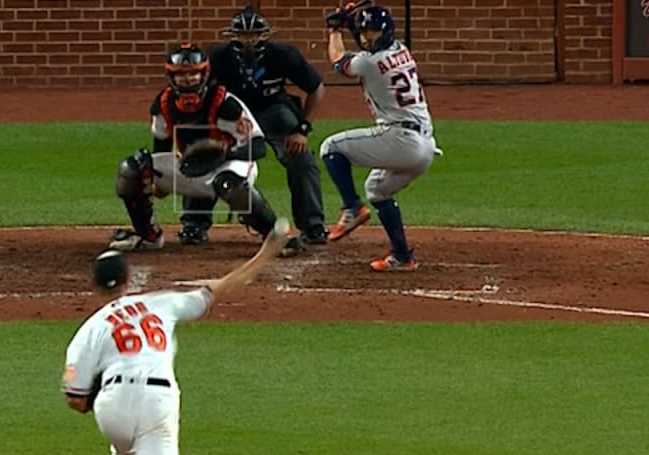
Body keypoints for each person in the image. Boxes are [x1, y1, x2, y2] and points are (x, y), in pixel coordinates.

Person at [63, 219, 293, 455]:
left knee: (125, 453)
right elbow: (221, 288)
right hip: (156, 401)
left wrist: (96, 394)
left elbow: (75, 399)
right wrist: (267, 252)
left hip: (111, 407)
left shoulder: (88, 329)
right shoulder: (158, 303)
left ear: (97, 286)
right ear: (129, 278)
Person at [178, 5, 328, 256]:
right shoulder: (216, 58)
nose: (249, 41)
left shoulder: (284, 55)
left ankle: (313, 225)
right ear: (231, 36)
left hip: (274, 111)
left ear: (266, 35)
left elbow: (316, 87)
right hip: (231, 114)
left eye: (255, 35)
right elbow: (201, 91)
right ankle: (194, 223)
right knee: (206, 155)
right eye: (243, 35)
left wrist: (302, 129)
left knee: (301, 158)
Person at [108, 42, 284, 254]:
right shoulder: (163, 104)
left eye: (194, 74)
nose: (188, 79)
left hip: (230, 165)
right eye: (181, 74)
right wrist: (155, 179)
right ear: (171, 76)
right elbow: (161, 147)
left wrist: (224, 154)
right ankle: (149, 236)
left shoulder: (225, 103)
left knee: (229, 184)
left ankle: (275, 236)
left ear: (204, 74)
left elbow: (258, 148)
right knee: (133, 168)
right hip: (191, 166)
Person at [319, 5, 439, 271]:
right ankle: (402, 257)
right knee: (377, 189)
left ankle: (351, 208)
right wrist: (352, 22)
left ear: (384, 31)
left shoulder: (369, 63)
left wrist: (334, 29)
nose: (366, 38)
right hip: (425, 146)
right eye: (364, 32)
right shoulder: (401, 49)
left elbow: (339, 61)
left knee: (331, 147)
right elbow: (367, 48)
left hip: (400, 139)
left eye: (371, 32)